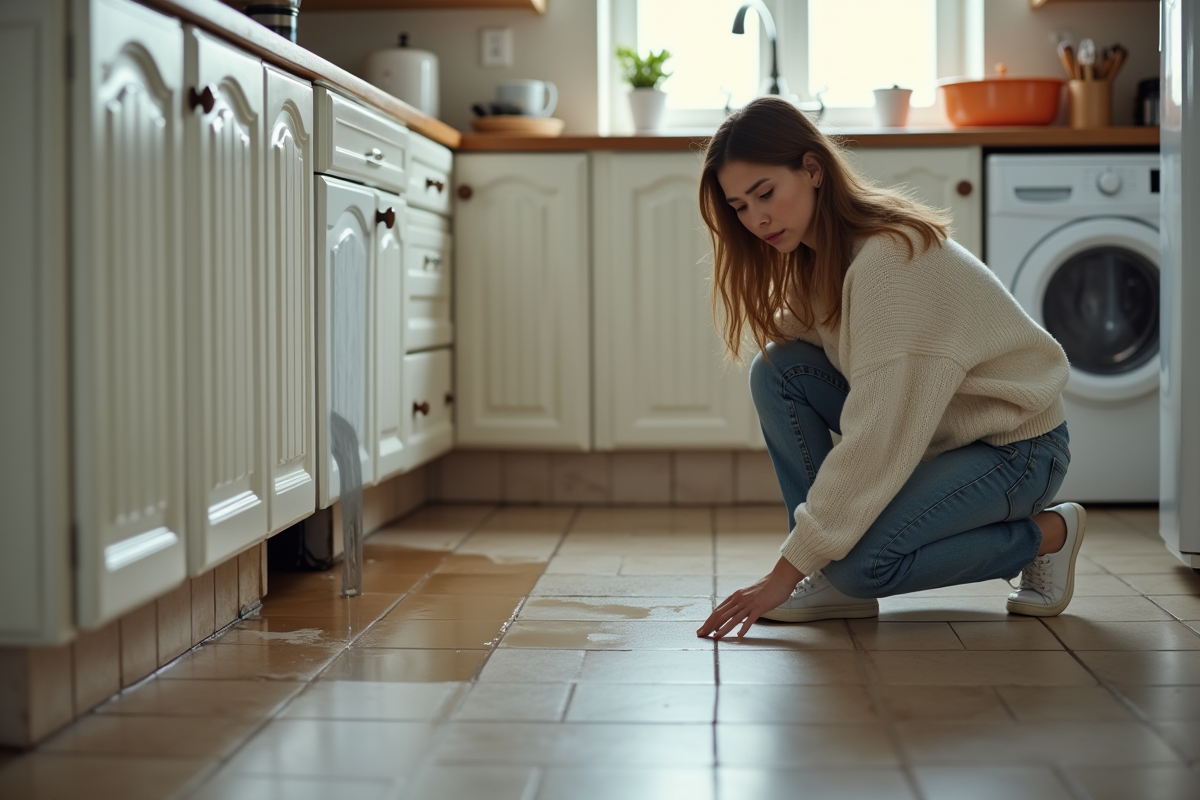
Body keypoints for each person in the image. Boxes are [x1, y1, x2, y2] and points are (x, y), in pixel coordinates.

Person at [695, 97, 1083, 641]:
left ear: (812, 170)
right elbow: (803, 344)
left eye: (765, 193)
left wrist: (784, 573)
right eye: (739, 206)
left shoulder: (887, 262)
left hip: (1017, 450)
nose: (756, 218)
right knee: (776, 370)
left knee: (861, 568)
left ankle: (1049, 534)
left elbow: (878, 437)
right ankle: (824, 573)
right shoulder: (823, 255)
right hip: (946, 435)